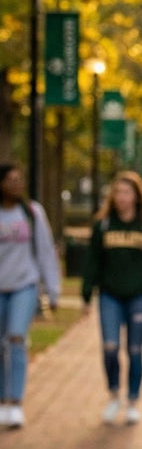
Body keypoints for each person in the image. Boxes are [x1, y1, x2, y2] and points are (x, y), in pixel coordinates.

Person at [81, 171, 142, 426]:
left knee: (135, 349)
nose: (122, 198)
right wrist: (87, 295)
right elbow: (92, 263)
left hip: (139, 296)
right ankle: (113, 394)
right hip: (110, 296)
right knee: (110, 347)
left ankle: (132, 400)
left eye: (127, 192)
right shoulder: (104, 226)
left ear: (137, 196)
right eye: (117, 192)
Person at [0, 164, 61, 429]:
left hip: (25, 285)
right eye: (10, 180)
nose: (16, 185)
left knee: (16, 337)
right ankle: (2, 400)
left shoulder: (33, 213)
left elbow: (46, 252)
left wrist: (53, 289)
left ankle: (16, 402)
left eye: (19, 180)